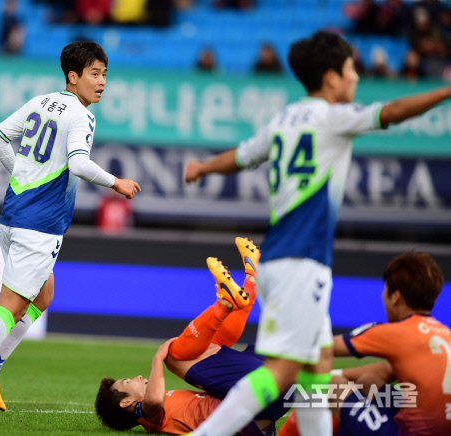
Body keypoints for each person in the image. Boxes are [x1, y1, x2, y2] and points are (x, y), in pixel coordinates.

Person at [184, 30, 451, 436]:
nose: (357, 78)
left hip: (285, 260)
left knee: (318, 369)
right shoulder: (334, 117)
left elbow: (239, 157)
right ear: (331, 78)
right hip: (300, 263)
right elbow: (393, 112)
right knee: (280, 372)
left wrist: (203, 167)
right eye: (351, 70)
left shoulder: (283, 120)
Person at [0, 40, 141, 413]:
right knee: (10, 306)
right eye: (94, 74)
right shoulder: (82, 116)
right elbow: (79, 164)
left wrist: (22, 174)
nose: (102, 82)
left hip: (14, 216)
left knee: (42, 296)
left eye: (104, 74)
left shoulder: (41, 102)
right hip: (39, 225)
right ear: (73, 77)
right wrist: (115, 182)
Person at [95, 238, 289, 435]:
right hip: (251, 401)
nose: (137, 377)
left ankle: (249, 284)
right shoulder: (145, 416)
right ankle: (226, 302)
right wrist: (157, 360)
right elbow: (154, 401)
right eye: (128, 382)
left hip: (268, 404)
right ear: (126, 402)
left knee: (313, 391)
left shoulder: (170, 409)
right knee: (173, 356)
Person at [279, 251, 451, 436]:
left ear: (396, 297)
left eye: (385, 289)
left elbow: (321, 348)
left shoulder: (396, 332)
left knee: (330, 386)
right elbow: (385, 371)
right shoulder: (445, 333)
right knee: (370, 382)